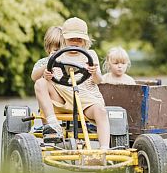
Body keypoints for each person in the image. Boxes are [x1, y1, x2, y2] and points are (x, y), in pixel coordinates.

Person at [33, 17, 110, 149]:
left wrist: (94, 72)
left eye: (79, 39)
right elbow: (40, 76)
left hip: (85, 98)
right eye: (71, 39)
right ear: (64, 39)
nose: (75, 42)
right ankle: (53, 124)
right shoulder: (57, 56)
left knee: (101, 111)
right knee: (40, 83)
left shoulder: (90, 55)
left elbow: (98, 81)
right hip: (62, 97)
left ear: (85, 40)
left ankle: (104, 149)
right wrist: (46, 75)